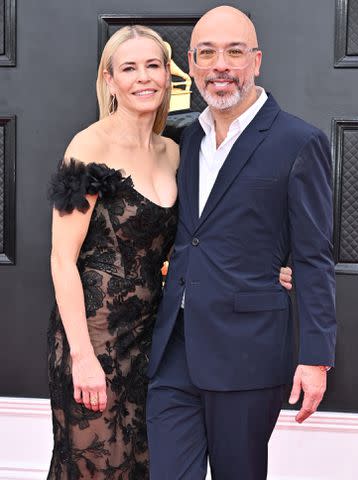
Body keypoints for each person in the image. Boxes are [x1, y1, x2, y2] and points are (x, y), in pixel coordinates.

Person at [46, 21, 294, 480]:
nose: (144, 77)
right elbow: (62, 260)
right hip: (95, 338)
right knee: (95, 467)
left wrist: (271, 268)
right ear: (110, 80)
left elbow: (206, 233)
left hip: (157, 341)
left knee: (147, 466)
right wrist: (82, 356)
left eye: (153, 65)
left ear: (169, 74)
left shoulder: (178, 148)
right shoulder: (89, 146)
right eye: (129, 68)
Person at [146, 6, 337, 480]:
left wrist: (316, 358)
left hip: (248, 353)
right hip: (174, 346)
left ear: (257, 60)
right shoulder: (183, 137)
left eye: (234, 52)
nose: (221, 65)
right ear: (190, 64)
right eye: (207, 53)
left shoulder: (298, 141)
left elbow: (313, 256)